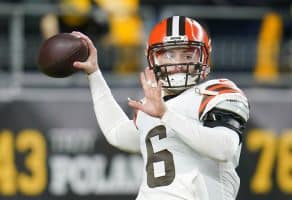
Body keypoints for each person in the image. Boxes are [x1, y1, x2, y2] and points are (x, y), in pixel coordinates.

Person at [71, 15, 250, 200]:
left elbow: (224, 148)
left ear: (204, 56)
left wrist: (166, 114)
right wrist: (94, 74)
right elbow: (115, 133)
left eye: (187, 55)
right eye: (169, 55)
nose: (178, 63)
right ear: (153, 58)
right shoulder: (153, 104)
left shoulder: (215, 92)